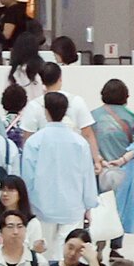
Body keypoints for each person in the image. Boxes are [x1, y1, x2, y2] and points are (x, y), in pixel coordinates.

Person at [21, 93, 98, 250]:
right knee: (67, 256)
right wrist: (89, 205)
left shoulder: (34, 142)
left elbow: (27, 178)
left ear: (46, 111)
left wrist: (26, 205)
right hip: (73, 208)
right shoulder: (80, 143)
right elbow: (87, 177)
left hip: (41, 207)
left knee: (43, 256)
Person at [92, 77, 134, 245]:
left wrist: (99, 159)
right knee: (120, 207)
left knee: (100, 206)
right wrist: (122, 159)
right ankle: (116, 245)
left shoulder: (93, 116)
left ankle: (98, 241)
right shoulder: (130, 116)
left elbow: (87, 141)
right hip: (124, 169)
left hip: (99, 168)